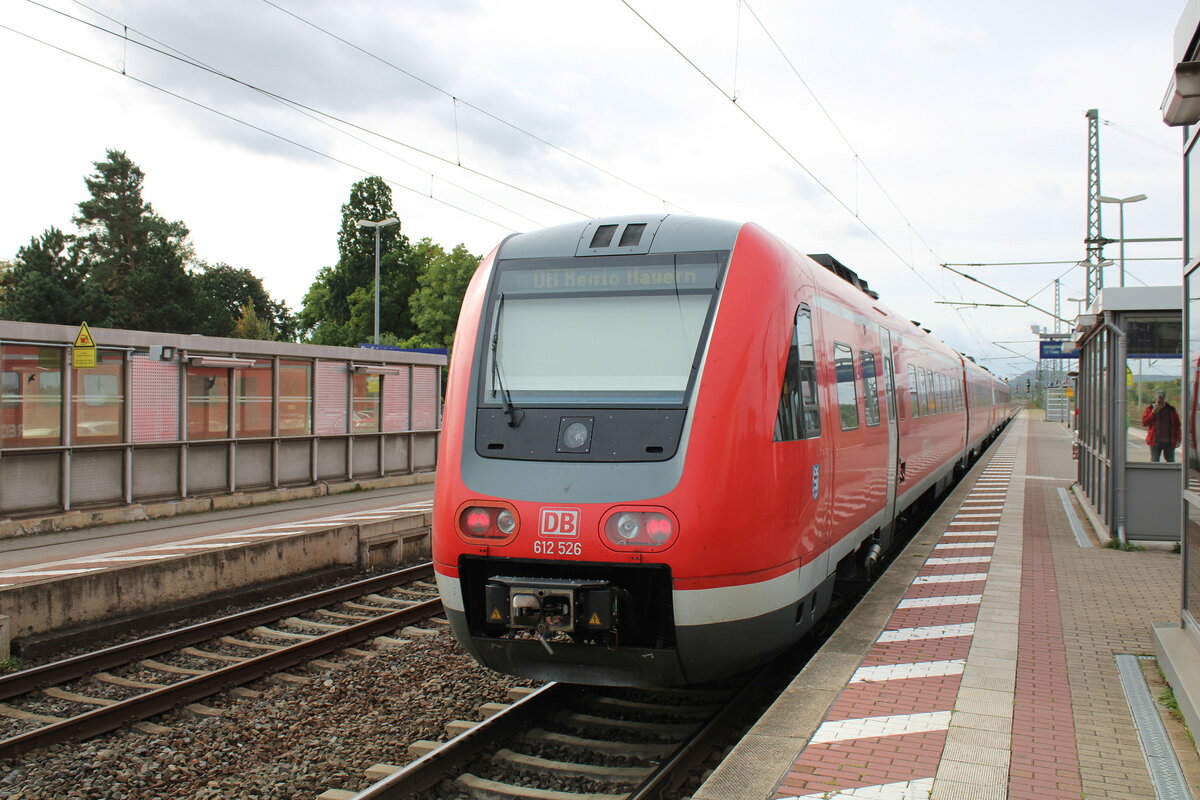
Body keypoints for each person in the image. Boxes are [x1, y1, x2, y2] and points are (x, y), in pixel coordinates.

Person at [1142, 391, 1182, 463]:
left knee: (1170, 462)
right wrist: (1153, 412)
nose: (1161, 404)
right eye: (1159, 401)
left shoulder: (1171, 409)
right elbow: (1145, 423)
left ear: (1165, 400)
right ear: (1155, 400)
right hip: (1155, 441)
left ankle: (1169, 471)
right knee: (1154, 461)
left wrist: (1178, 439)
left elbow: (1177, 425)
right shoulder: (1149, 409)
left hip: (1169, 441)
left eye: (1163, 401)